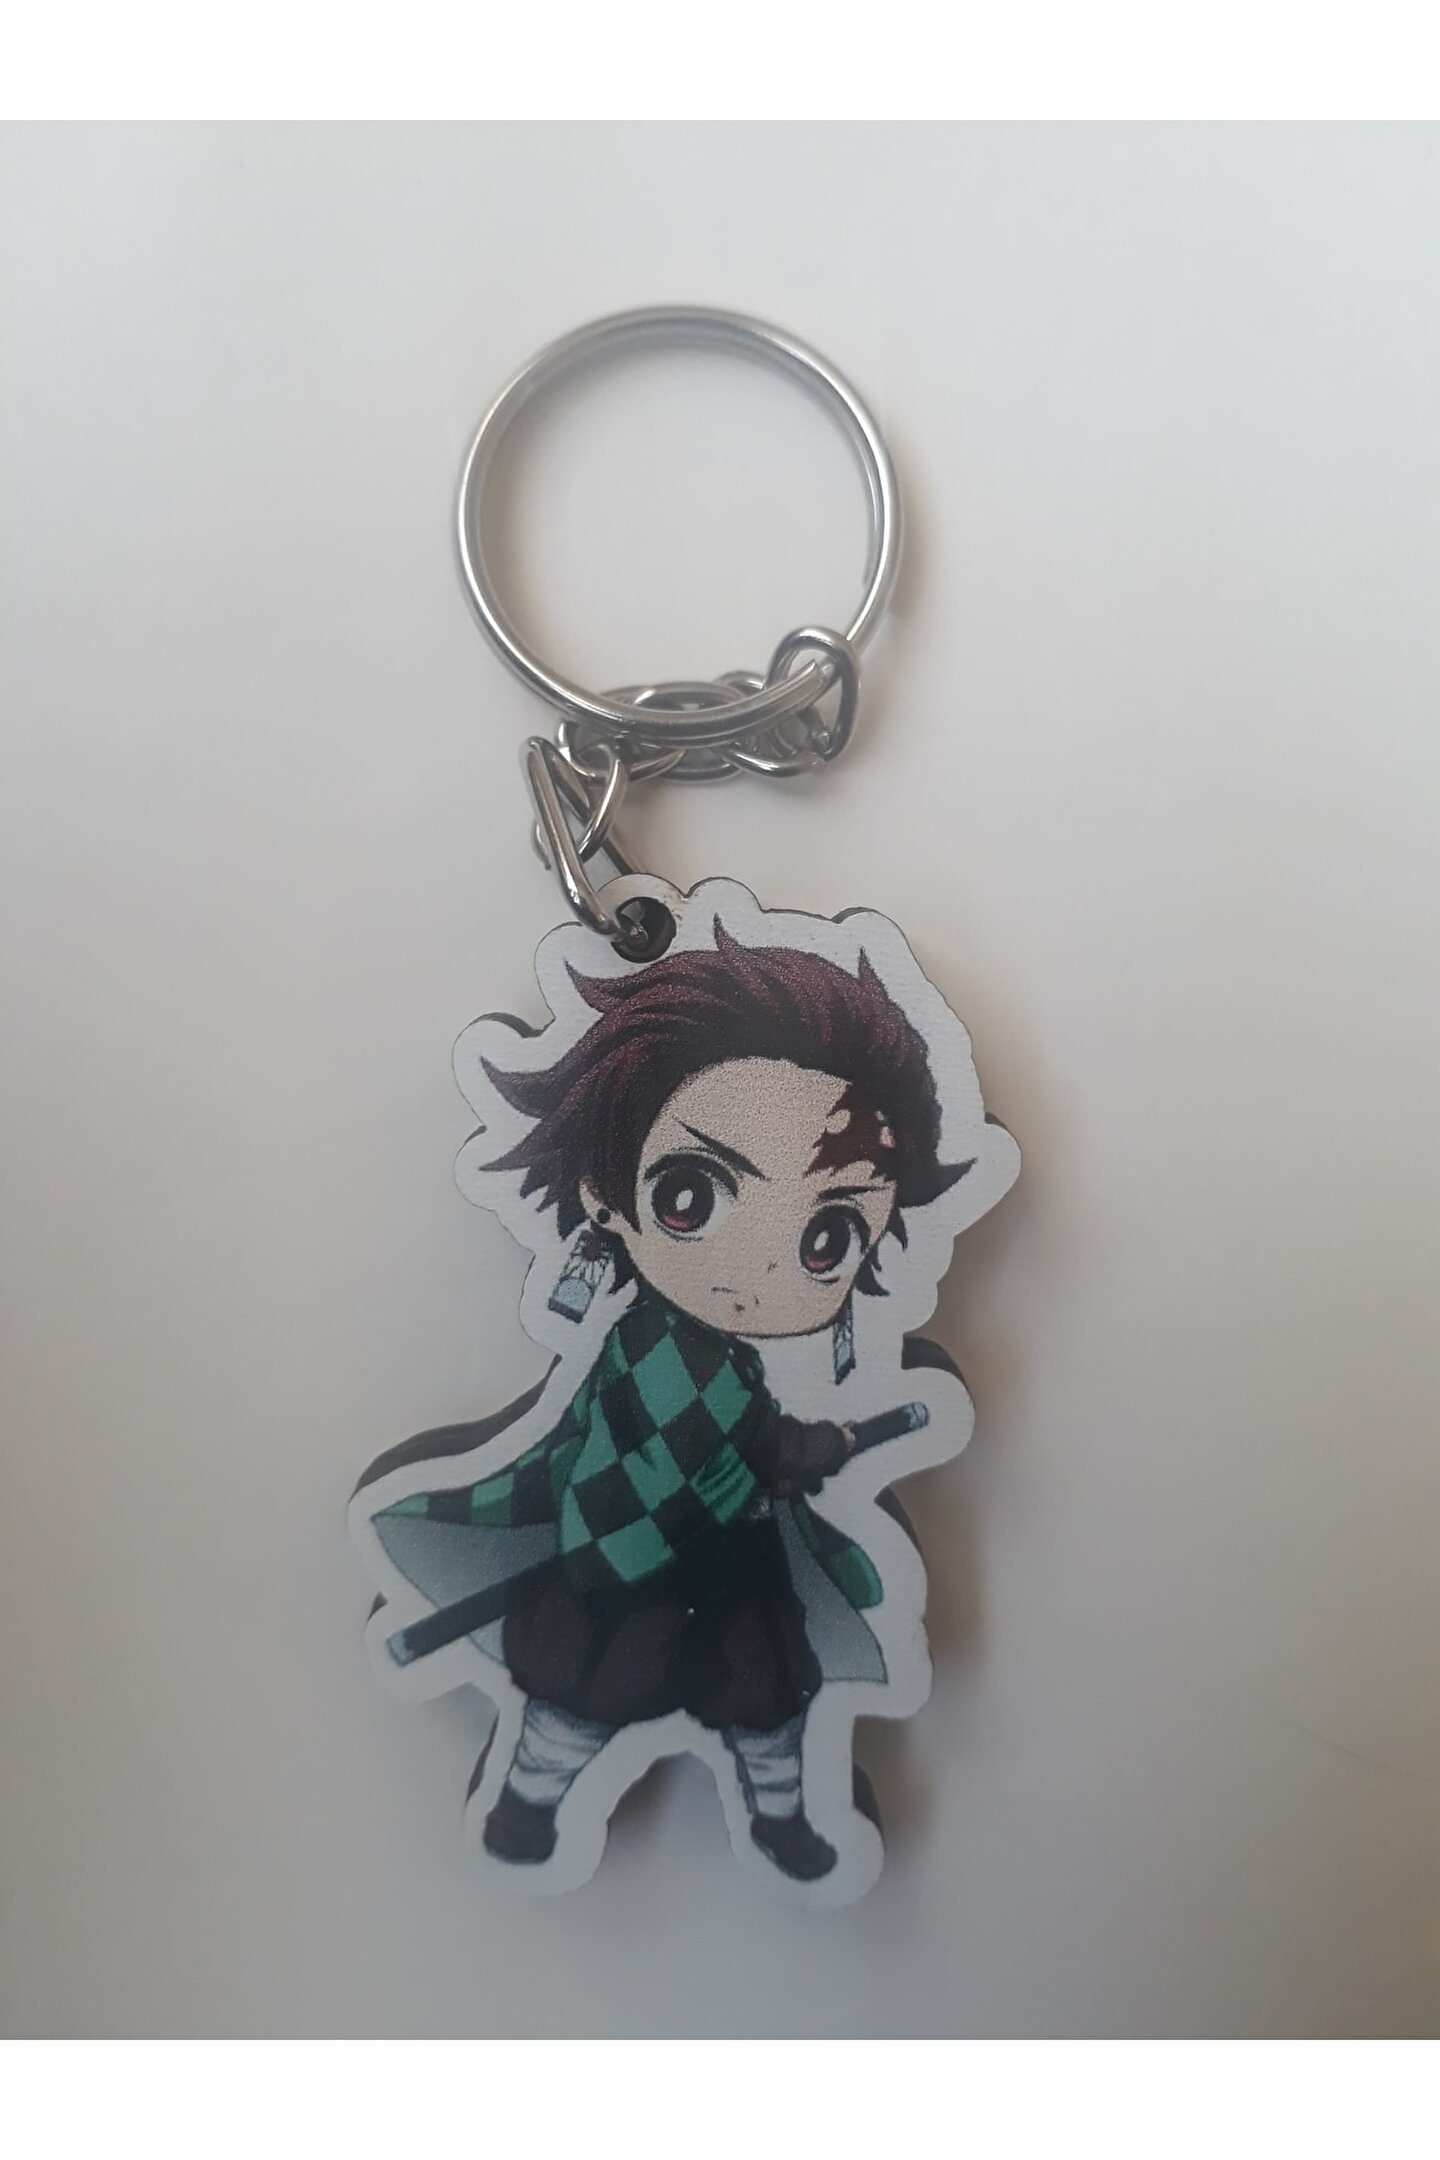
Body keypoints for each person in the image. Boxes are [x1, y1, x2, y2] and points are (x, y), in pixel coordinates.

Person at [363, 924, 970, 1882]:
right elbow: (683, 1447)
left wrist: (796, 1452)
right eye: (693, 1195)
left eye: (826, 1238)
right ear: (606, 1189)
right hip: (620, 1566)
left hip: (728, 1569)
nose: (757, 1271)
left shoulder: (724, 1366)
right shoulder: (648, 1352)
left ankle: (780, 1814)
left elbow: (748, 1438)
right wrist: (775, 1461)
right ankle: (531, 1801)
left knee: (767, 1700)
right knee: (582, 1701)